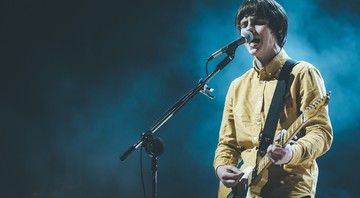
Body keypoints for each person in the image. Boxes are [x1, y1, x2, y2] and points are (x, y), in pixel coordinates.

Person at [213, 0, 333, 197]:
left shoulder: (303, 73)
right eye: (243, 25)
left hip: (289, 190)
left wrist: (291, 153)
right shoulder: (237, 86)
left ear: (278, 28)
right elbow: (228, 143)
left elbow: (321, 132)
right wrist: (222, 167)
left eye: (257, 22)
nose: (248, 29)